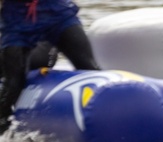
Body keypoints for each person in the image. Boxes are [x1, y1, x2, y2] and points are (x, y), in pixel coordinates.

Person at [0, 0, 99, 134]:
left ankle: (106, 114)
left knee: (89, 68)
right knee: (14, 83)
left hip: (57, 14)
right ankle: (3, 128)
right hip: (17, 21)